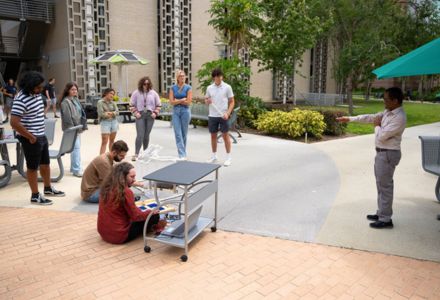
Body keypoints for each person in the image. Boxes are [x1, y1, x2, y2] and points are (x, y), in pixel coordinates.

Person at [336, 87, 407, 229]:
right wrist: (349, 119)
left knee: (385, 187)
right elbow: (371, 117)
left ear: (395, 101)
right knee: (381, 185)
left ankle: (386, 219)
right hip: (382, 152)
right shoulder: (388, 112)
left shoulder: (399, 118)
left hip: (388, 153)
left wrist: (376, 126)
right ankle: (381, 213)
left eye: (386, 100)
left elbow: (381, 136)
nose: (384, 102)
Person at [10, 71, 65, 205]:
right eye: (38, 87)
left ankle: (48, 188)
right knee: (33, 167)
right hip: (30, 138)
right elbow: (14, 122)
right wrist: (30, 136)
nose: (41, 89)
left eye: (41, 87)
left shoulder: (35, 95)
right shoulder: (21, 99)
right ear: (29, 86)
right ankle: (35, 195)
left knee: (45, 164)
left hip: (41, 135)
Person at [97, 162, 165, 244]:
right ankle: (156, 226)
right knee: (154, 216)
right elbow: (136, 216)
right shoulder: (125, 191)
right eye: (132, 177)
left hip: (103, 232)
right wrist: (151, 212)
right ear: (122, 177)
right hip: (119, 235)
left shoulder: (106, 186)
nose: (134, 180)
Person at [205, 68, 235, 167]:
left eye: (220, 76)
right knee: (213, 136)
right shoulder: (209, 88)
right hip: (212, 115)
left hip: (223, 115)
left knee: (225, 136)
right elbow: (206, 100)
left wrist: (228, 113)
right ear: (213, 78)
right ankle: (214, 156)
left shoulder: (227, 87)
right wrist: (207, 101)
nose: (218, 78)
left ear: (222, 76)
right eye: (216, 76)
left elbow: (232, 102)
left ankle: (228, 157)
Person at [129, 76, 161, 161]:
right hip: (140, 115)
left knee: (146, 135)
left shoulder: (153, 93)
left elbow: (158, 104)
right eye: (144, 83)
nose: (146, 85)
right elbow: (131, 104)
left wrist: (155, 113)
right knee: (140, 135)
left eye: (147, 84)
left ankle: (145, 152)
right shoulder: (136, 93)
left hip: (150, 115)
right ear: (141, 84)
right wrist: (136, 113)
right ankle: (136, 154)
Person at [60, 82, 84, 177]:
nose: (75, 91)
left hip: (77, 127)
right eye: (72, 89)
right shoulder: (65, 102)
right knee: (76, 149)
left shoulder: (75, 100)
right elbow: (67, 118)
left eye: (76, 89)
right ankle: (76, 170)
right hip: (72, 129)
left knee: (75, 148)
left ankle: (74, 167)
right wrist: (73, 129)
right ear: (68, 90)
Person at [169, 69, 192, 160]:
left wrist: (177, 101)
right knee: (177, 133)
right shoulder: (173, 88)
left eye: (183, 76)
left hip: (185, 111)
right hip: (175, 112)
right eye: (180, 76)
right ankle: (182, 154)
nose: (182, 77)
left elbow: (189, 102)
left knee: (183, 133)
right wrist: (182, 100)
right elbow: (171, 102)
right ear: (177, 78)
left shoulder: (188, 88)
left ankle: (183, 153)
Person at [97, 88, 119, 154]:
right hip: (105, 122)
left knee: (112, 140)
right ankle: (101, 159)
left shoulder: (113, 102)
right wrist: (112, 113)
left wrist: (111, 113)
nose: (112, 95)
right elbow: (101, 114)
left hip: (114, 122)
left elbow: (117, 112)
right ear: (106, 93)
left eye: (113, 94)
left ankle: (111, 157)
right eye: (110, 93)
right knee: (104, 141)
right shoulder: (100, 102)